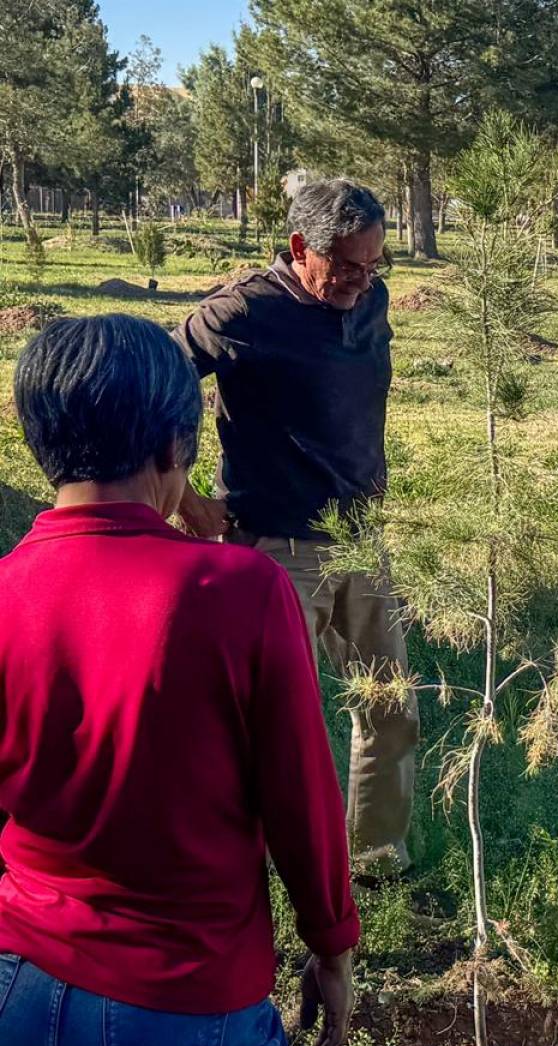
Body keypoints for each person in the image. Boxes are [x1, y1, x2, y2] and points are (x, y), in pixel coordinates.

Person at [0, 315, 358, 1046]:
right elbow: (302, 796)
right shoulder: (235, 590)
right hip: (186, 1012)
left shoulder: (6, 593)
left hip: (18, 992)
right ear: (173, 448)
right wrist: (331, 944)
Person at [174, 178, 419, 880]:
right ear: (298, 247)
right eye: (345, 264)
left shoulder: (368, 299)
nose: (360, 278)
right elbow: (153, 383)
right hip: (274, 548)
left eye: (374, 264)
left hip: (360, 538)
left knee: (390, 706)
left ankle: (373, 859)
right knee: (276, 729)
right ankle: (248, 871)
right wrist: (184, 498)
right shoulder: (243, 310)